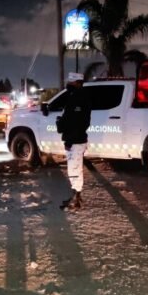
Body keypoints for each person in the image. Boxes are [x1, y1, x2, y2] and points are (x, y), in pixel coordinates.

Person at [57, 72, 91, 212]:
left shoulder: (79, 98)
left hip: (75, 141)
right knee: (76, 168)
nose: (68, 84)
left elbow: (78, 123)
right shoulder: (75, 96)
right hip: (75, 139)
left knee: (74, 169)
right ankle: (76, 196)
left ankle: (76, 199)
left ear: (77, 83)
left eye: (71, 82)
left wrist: (70, 139)